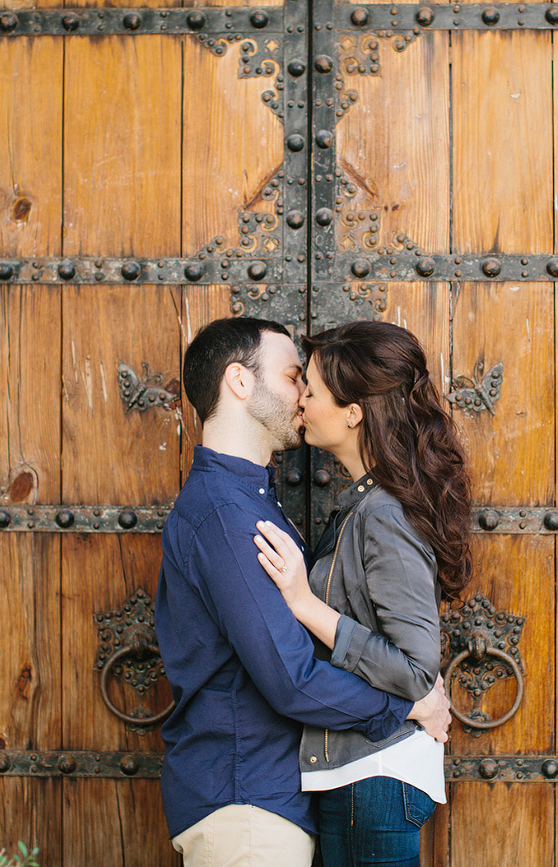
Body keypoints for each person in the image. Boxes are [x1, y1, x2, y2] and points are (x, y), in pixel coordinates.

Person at [155, 317, 452, 867]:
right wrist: (408, 706)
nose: (303, 394)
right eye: (294, 376)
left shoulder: (256, 505)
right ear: (240, 383)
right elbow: (291, 679)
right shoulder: (225, 513)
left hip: (269, 802)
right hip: (246, 802)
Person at [252, 321, 473, 867]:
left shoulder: (384, 514)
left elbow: (416, 670)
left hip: (374, 782)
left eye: (314, 389)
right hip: (362, 777)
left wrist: (305, 603)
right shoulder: (365, 504)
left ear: (353, 413)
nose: (301, 398)